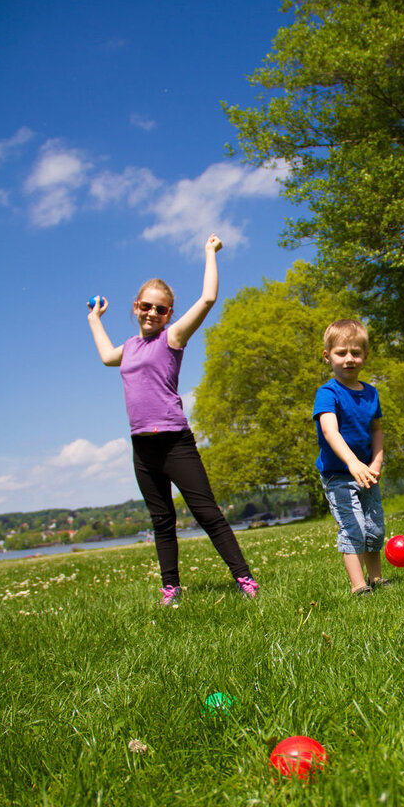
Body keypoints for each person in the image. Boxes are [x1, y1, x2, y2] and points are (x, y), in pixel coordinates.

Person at [87, 234, 259, 606]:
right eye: (146, 306)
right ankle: (171, 589)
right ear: (135, 307)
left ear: (169, 313)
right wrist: (94, 319)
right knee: (161, 520)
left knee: (206, 512)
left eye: (160, 309)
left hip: (174, 441)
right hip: (141, 446)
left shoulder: (173, 338)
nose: (152, 313)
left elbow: (209, 298)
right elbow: (104, 356)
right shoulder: (129, 348)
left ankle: (244, 579)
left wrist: (209, 253)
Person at [313, 319, 386, 595]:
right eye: (341, 353)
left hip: (368, 472)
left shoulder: (371, 393)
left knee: (375, 528)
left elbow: (376, 429)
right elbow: (330, 431)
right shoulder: (328, 393)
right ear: (327, 356)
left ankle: (377, 578)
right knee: (353, 527)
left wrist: (376, 461)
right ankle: (359, 586)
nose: (349, 359)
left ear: (365, 356)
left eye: (356, 352)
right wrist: (352, 462)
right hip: (339, 475)